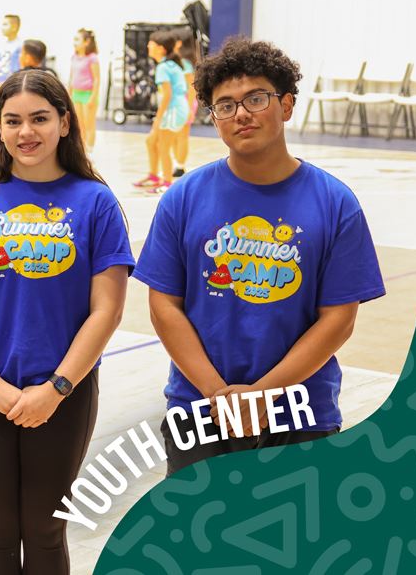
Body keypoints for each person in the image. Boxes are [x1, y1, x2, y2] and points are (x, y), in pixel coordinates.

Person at [136, 38, 385, 476]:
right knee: (197, 545)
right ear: (214, 119)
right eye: (225, 105)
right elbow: (163, 306)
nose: (241, 113)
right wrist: (218, 394)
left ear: (286, 105)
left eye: (255, 98)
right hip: (201, 409)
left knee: (293, 545)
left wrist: (263, 395)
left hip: (301, 413)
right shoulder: (183, 198)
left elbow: (338, 320)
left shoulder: (335, 203)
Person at [0, 68, 133, 575]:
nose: (27, 132)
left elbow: (107, 309)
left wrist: (57, 387)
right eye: (13, 120)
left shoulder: (95, 202)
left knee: (45, 529)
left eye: (40, 118)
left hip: (64, 390)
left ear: (65, 121)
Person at [136, 32, 189, 192]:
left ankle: (167, 183)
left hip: (173, 109)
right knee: (151, 141)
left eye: (151, 44)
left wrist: (158, 119)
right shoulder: (170, 64)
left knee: (163, 146)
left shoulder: (163, 67)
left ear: (161, 48)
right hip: (178, 107)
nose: (148, 46)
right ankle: (153, 176)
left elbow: (167, 95)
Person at [170, 28, 200, 177]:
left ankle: (180, 165)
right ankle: (177, 162)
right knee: (175, 134)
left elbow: (191, 88)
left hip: (185, 103)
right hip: (177, 103)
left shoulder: (186, 64)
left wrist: (188, 109)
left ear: (179, 43)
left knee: (182, 135)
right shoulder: (178, 61)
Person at [69, 29, 100, 151]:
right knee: (79, 124)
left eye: (77, 40)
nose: (74, 42)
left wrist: (93, 97)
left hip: (88, 94)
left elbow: (97, 79)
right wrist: (69, 93)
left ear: (86, 42)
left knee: (89, 125)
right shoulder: (74, 57)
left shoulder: (92, 58)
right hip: (76, 94)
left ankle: (90, 150)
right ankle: (81, 150)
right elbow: (71, 76)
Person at [0, 14, 23, 89]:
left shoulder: (21, 45)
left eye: (5, 24)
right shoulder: (0, 45)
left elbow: (22, 67)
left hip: (13, 86)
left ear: (14, 27)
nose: (2, 28)